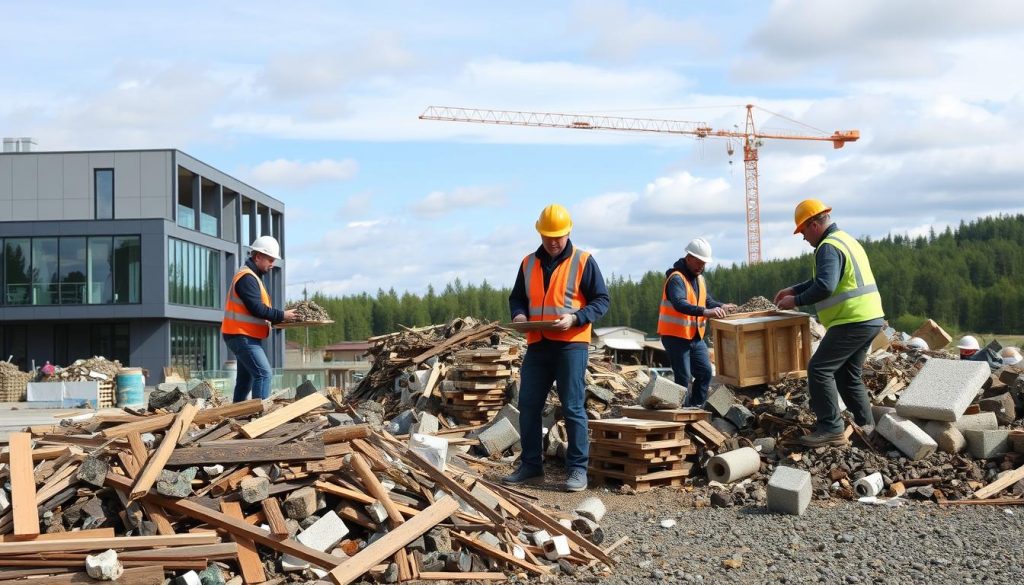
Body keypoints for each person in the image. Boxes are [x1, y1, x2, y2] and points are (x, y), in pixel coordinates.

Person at [505, 203, 610, 492]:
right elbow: (517, 297)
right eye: (548, 236)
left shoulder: (584, 261)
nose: (553, 242)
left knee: (573, 407)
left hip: (571, 345)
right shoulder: (528, 263)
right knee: (527, 404)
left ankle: (577, 469)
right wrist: (520, 316)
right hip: (538, 343)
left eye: (558, 236)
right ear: (539, 233)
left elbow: (601, 300)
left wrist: (576, 317)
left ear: (568, 232)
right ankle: (530, 466)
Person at [774, 199, 884, 447]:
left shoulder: (827, 247)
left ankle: (831, 429)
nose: (803, 238)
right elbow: (824, 278)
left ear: (814, 224)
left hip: (852, 319)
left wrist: (797, 300)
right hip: (869, 318)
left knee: (819, 369)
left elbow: (825, 285)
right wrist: (795, 288)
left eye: (803, 231)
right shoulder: (845, 240)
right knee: (848, 376)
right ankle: (867, 428)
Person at [657, 238, 736, 407]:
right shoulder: (676, 278)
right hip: (675, 336)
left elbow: (705, 301)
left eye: (704, 263)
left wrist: (722, 306)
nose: (701, 266)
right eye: (699, 262)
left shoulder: (699, 279)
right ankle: (680, 413)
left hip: (695, 337)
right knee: (683, 377)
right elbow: (680, 304)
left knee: (705, 373)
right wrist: (706, 312)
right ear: (689, 257)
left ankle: (696, 408)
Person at [222, 235, 296, 402]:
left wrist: (280, 319)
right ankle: (259, 419)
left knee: (244, 380)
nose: (272, 264)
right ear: (258, 257)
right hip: (242, 336)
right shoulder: (247, 278)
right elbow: (257, 309)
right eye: (270, 259)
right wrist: (282, 315)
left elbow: (256, 311)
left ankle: (237, 415)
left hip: (241, 335)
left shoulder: (251, 277)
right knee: (264, 374)